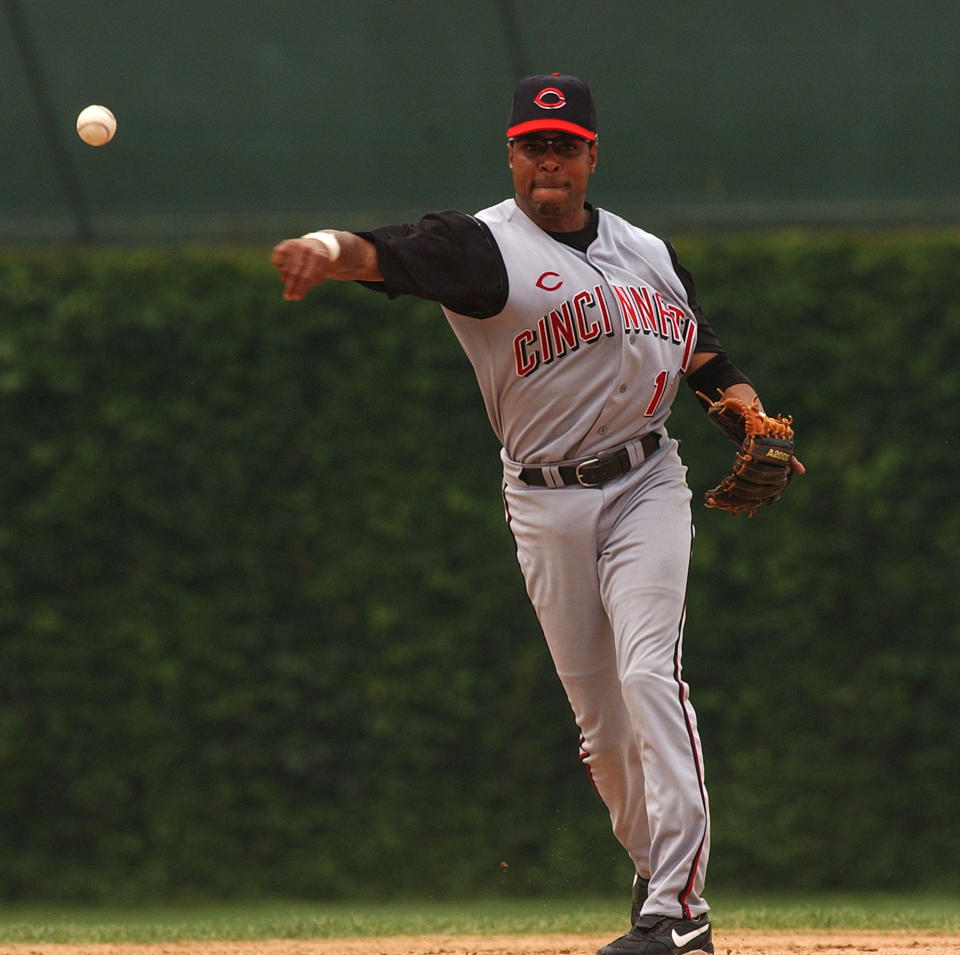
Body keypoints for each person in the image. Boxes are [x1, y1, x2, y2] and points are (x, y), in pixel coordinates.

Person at [272, 74, 801, 955]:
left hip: (647, 485)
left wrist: (746, 405)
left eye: (563, 145)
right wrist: (325, 247)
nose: (547, 159)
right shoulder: (484, 248)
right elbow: (384, 253)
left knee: (647, 676)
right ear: (512, 154)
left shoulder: (648, 251)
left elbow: (703, 353)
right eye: (532, 144)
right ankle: (652, 873)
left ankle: (680, 914)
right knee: (601, 729)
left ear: (592, 155)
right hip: (543, 501)